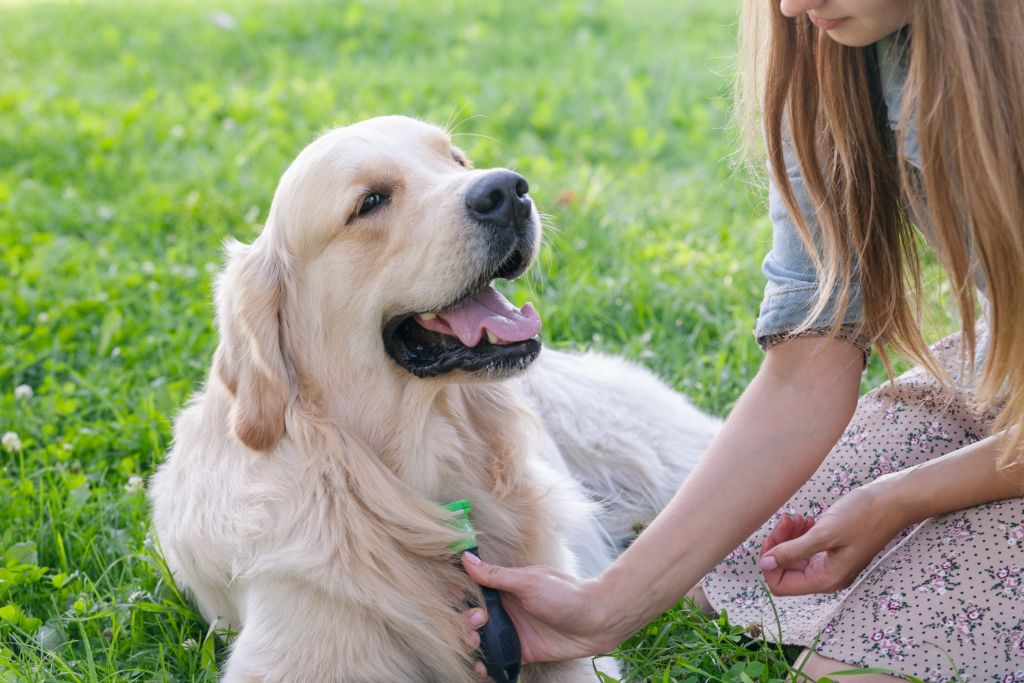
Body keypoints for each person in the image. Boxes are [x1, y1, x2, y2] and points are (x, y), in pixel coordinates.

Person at [459, 0, 1024, 680]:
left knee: (861, 666)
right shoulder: (828, 55)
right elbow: (804, 368)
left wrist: (898, 497)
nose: (791, 6)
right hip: (1007, 369)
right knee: (738, 567)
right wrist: (606, 606)